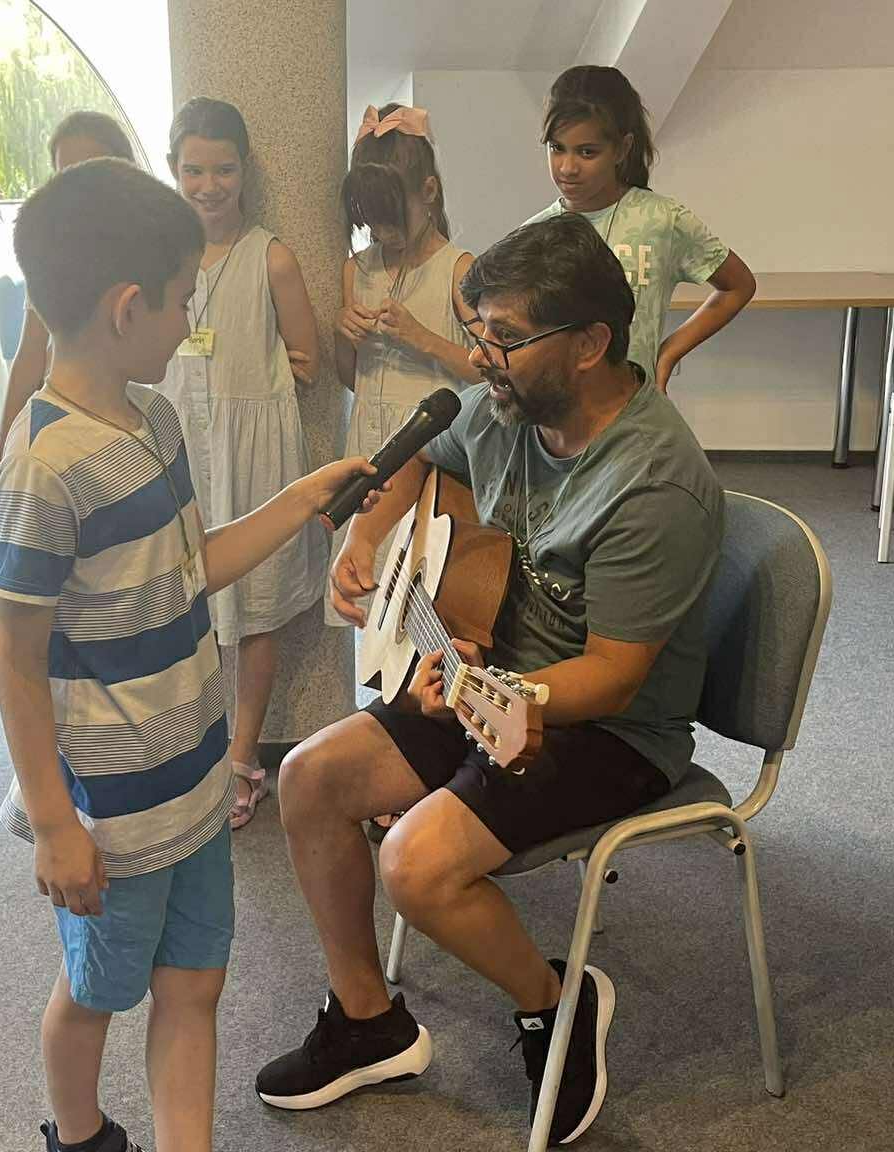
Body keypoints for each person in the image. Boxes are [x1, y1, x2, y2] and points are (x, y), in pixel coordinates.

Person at [254, 215, 727, 1146]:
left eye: (504, 337)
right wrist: (366, 540)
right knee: (307, 779)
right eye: (479, 332)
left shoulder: (654, 485)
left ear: (590, 344)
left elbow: (614, 678)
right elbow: (424, 463)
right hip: (490, 673)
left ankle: (556, 1001)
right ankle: (368, 1021)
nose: (481, 357)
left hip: (612, 729)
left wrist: (498, 694)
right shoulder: (508, 406)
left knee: (416, 866)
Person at [0, 158, 374, 1152]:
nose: (189, 320)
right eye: (182, 302)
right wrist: (53, 826)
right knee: (94, 991)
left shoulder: (153, 419)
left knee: (195, 982)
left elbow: (189, 566)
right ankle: (80, 1135)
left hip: (196, 777)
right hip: (112, 812)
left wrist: (301, 500)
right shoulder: (43, 466)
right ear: (128, 308)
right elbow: (15, 661)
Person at [156, 97, 326, 829]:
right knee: (175, 594)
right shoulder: (157, 254)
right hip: (177, 446)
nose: (209, 185)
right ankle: (181, 749)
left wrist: (278, 367)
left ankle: (241, 754)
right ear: (173, 169)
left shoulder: (270, 255)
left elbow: (309, 357)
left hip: (251, 454)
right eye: (194, 170)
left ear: (245, 169)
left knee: (255, 604)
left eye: (223, 169)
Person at [327, 102, 477, 629]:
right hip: (367, 442)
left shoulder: (458, 269)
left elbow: (488, 374)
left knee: (423, 595)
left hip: (429, 452)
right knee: (365, 593)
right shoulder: (357, 269)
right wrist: (343, 336)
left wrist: (421, 337)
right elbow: (352, 377)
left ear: (429, 192)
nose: (382, 232)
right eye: (371, 220)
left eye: (392, 218)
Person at [529, 64, 757, 392]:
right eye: (556, 148)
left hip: (635, 406)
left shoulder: (662, 220)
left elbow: (738, 285)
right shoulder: (535, 234)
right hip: (554, 409)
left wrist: (669, 354)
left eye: (587, 152)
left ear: (622, 149)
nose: (567, 168)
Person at [0, 110, 140, 475]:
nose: (79, 190)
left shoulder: (150, 248)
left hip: (134, 418)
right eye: (66, 176)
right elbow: (30, 353)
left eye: (91, 171)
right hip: (67, 423)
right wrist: (4, 443)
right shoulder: (51, 255)